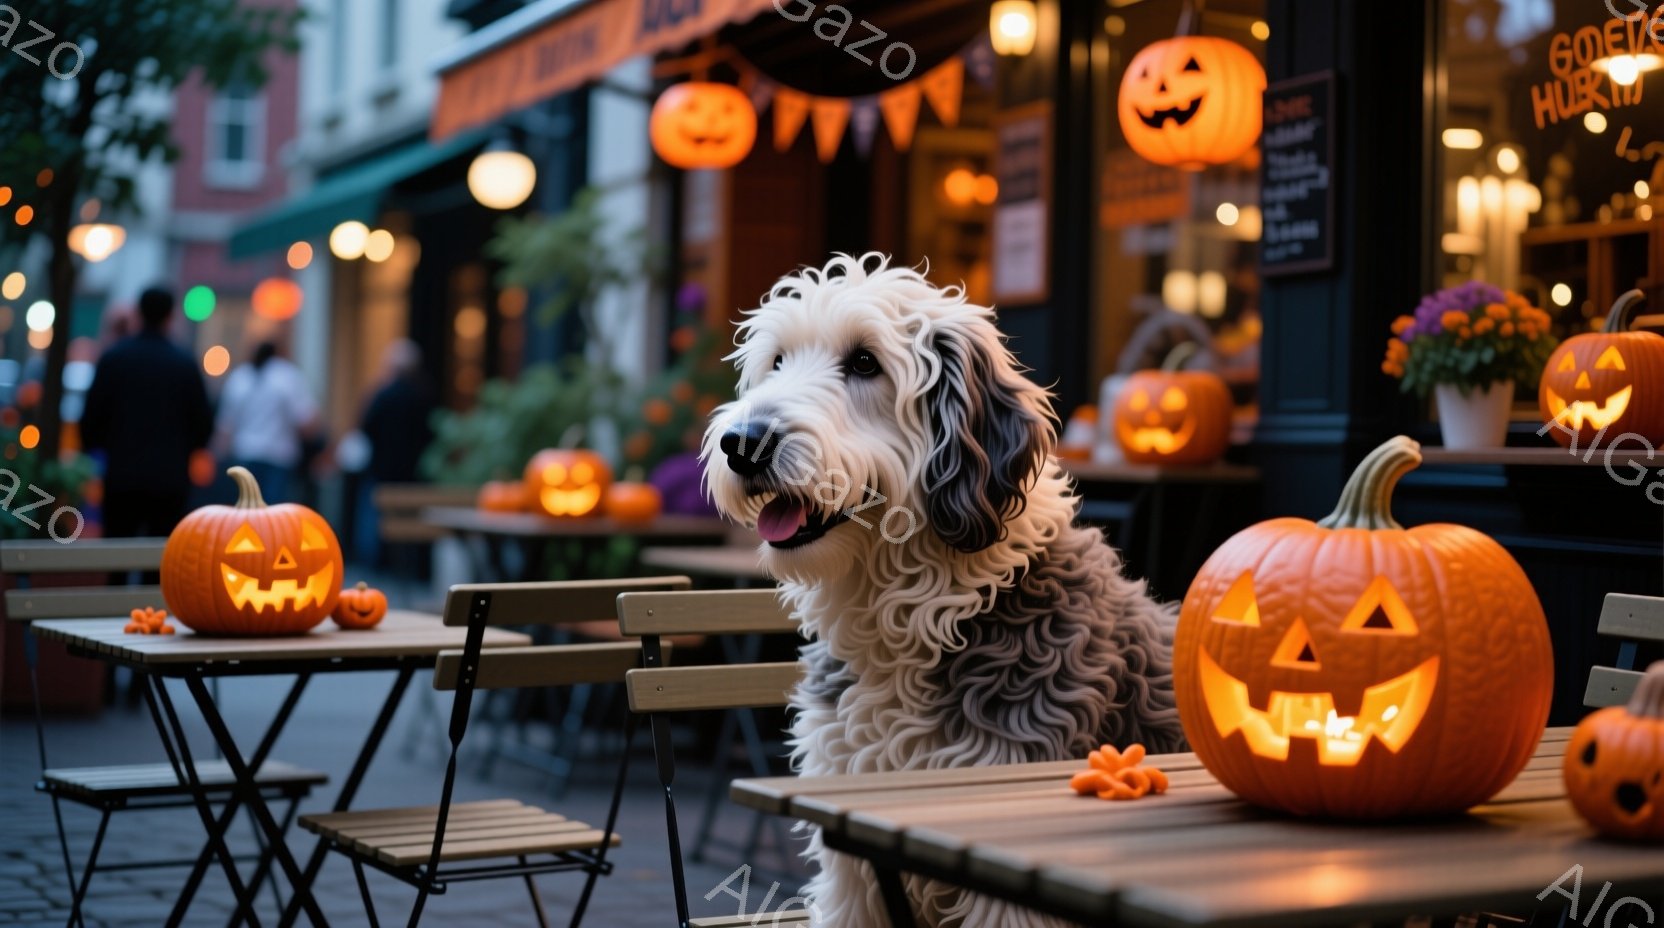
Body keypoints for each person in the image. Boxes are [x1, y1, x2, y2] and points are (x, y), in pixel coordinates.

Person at [81, 287, 213, 538]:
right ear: (171, 315)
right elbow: (203, 424)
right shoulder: (184, 363)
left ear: (139, 313)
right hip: (170, 479)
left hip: (121, 476)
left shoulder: (114, 359)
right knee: (164, 553)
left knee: (117, 549)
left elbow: (91, 419)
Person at [352, 339, 436, 562]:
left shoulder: (383, 394)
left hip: (381, 468)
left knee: (374, 517)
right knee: (410, 519)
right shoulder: (423, 395)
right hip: (412, 470)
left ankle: (375, 562)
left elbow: (366, 427)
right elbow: (430, 433)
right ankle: (409, 562)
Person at [215, 340, 319, 504]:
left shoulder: (239, 378)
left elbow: (225, 429)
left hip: (244, 455)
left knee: (243, 510)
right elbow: (306, 424)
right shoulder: (287, 376)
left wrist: (217, 462)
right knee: (274, 513)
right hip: (279, 457)